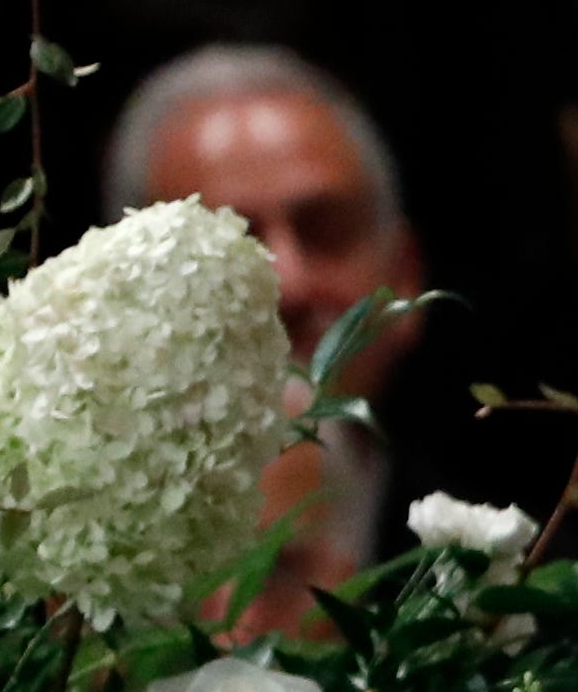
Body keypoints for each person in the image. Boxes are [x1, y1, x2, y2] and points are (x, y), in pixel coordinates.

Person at [102, 43, 437, 630]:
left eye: (326, 231)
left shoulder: (532, 598)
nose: (286, 285)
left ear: (406, 277)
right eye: (225, 245)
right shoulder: (26, 628)